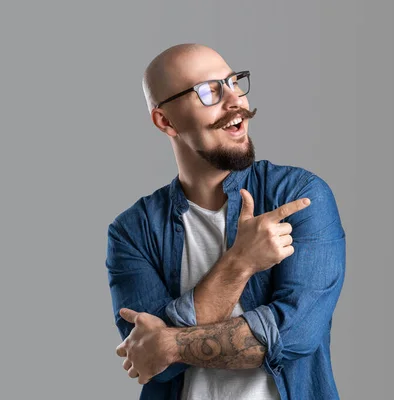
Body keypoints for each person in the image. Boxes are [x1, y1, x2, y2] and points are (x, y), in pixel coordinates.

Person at [105, 43, 346, 400]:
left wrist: (170, 343)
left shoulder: (299, 196)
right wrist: (241, 262)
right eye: (209, 91)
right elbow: (151, 365)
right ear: (165, 121)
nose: (236, 102)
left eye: (233, 82)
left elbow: (297, 335)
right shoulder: (133, 232)